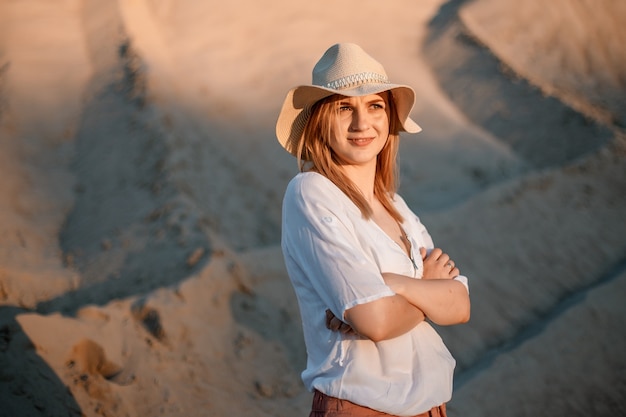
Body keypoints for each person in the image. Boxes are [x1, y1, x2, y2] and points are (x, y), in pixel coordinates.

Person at [276, 43, 471, 417]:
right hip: (361, 408)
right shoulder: (310, 192)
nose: (361, 124)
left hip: (432, 408)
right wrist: (429, 290)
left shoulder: (397, 206)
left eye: (375, 105)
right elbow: (376, 321)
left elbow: (460, 305)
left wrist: (390, 283)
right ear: (320, 120)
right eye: (344, 107)